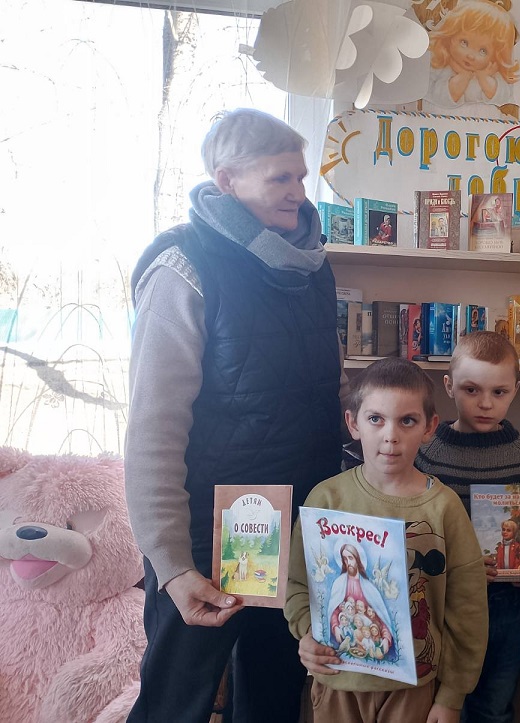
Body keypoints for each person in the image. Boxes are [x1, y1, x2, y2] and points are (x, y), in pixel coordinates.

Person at [124, 108, 345, 722]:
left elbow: (321, 389)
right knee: (176, 701)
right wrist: (172, 564)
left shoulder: (314, 264)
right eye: (280, 178)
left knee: (273, 699)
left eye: (301, 177)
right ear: (227, 180)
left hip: (294, 520)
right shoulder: (183, 265)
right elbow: (153, 430)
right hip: (207, 529)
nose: (298, 193)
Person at [286, 357, 488, 723]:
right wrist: (306, 634)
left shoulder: (444, 508)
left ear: (429, 427)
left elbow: (468, 610)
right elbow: (297, 583)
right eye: (376, 419)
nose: (390, 435)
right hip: (336, 680)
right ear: (353, 423)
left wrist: (452, 696)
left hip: (414, 688)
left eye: (406, 420)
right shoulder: (326, 499)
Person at [416, 330, 520, 723]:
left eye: (499, 392)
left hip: (506, 604)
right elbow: (417, 528)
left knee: (493, 707)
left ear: (515, 390)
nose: (485, 403)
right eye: (471, 390)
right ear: (449, 386)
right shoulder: (426, 453)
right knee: (437, 706)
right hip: (444, 602)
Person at [426, 0, 520, 108]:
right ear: (450, 37)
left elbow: (503, 98)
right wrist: (463, 76)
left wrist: (484, 77)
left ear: (495, 56)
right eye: (464, 43)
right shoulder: (441, 64)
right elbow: (439, 99)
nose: (470, 56)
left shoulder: (493, 71)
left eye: (483, 51)